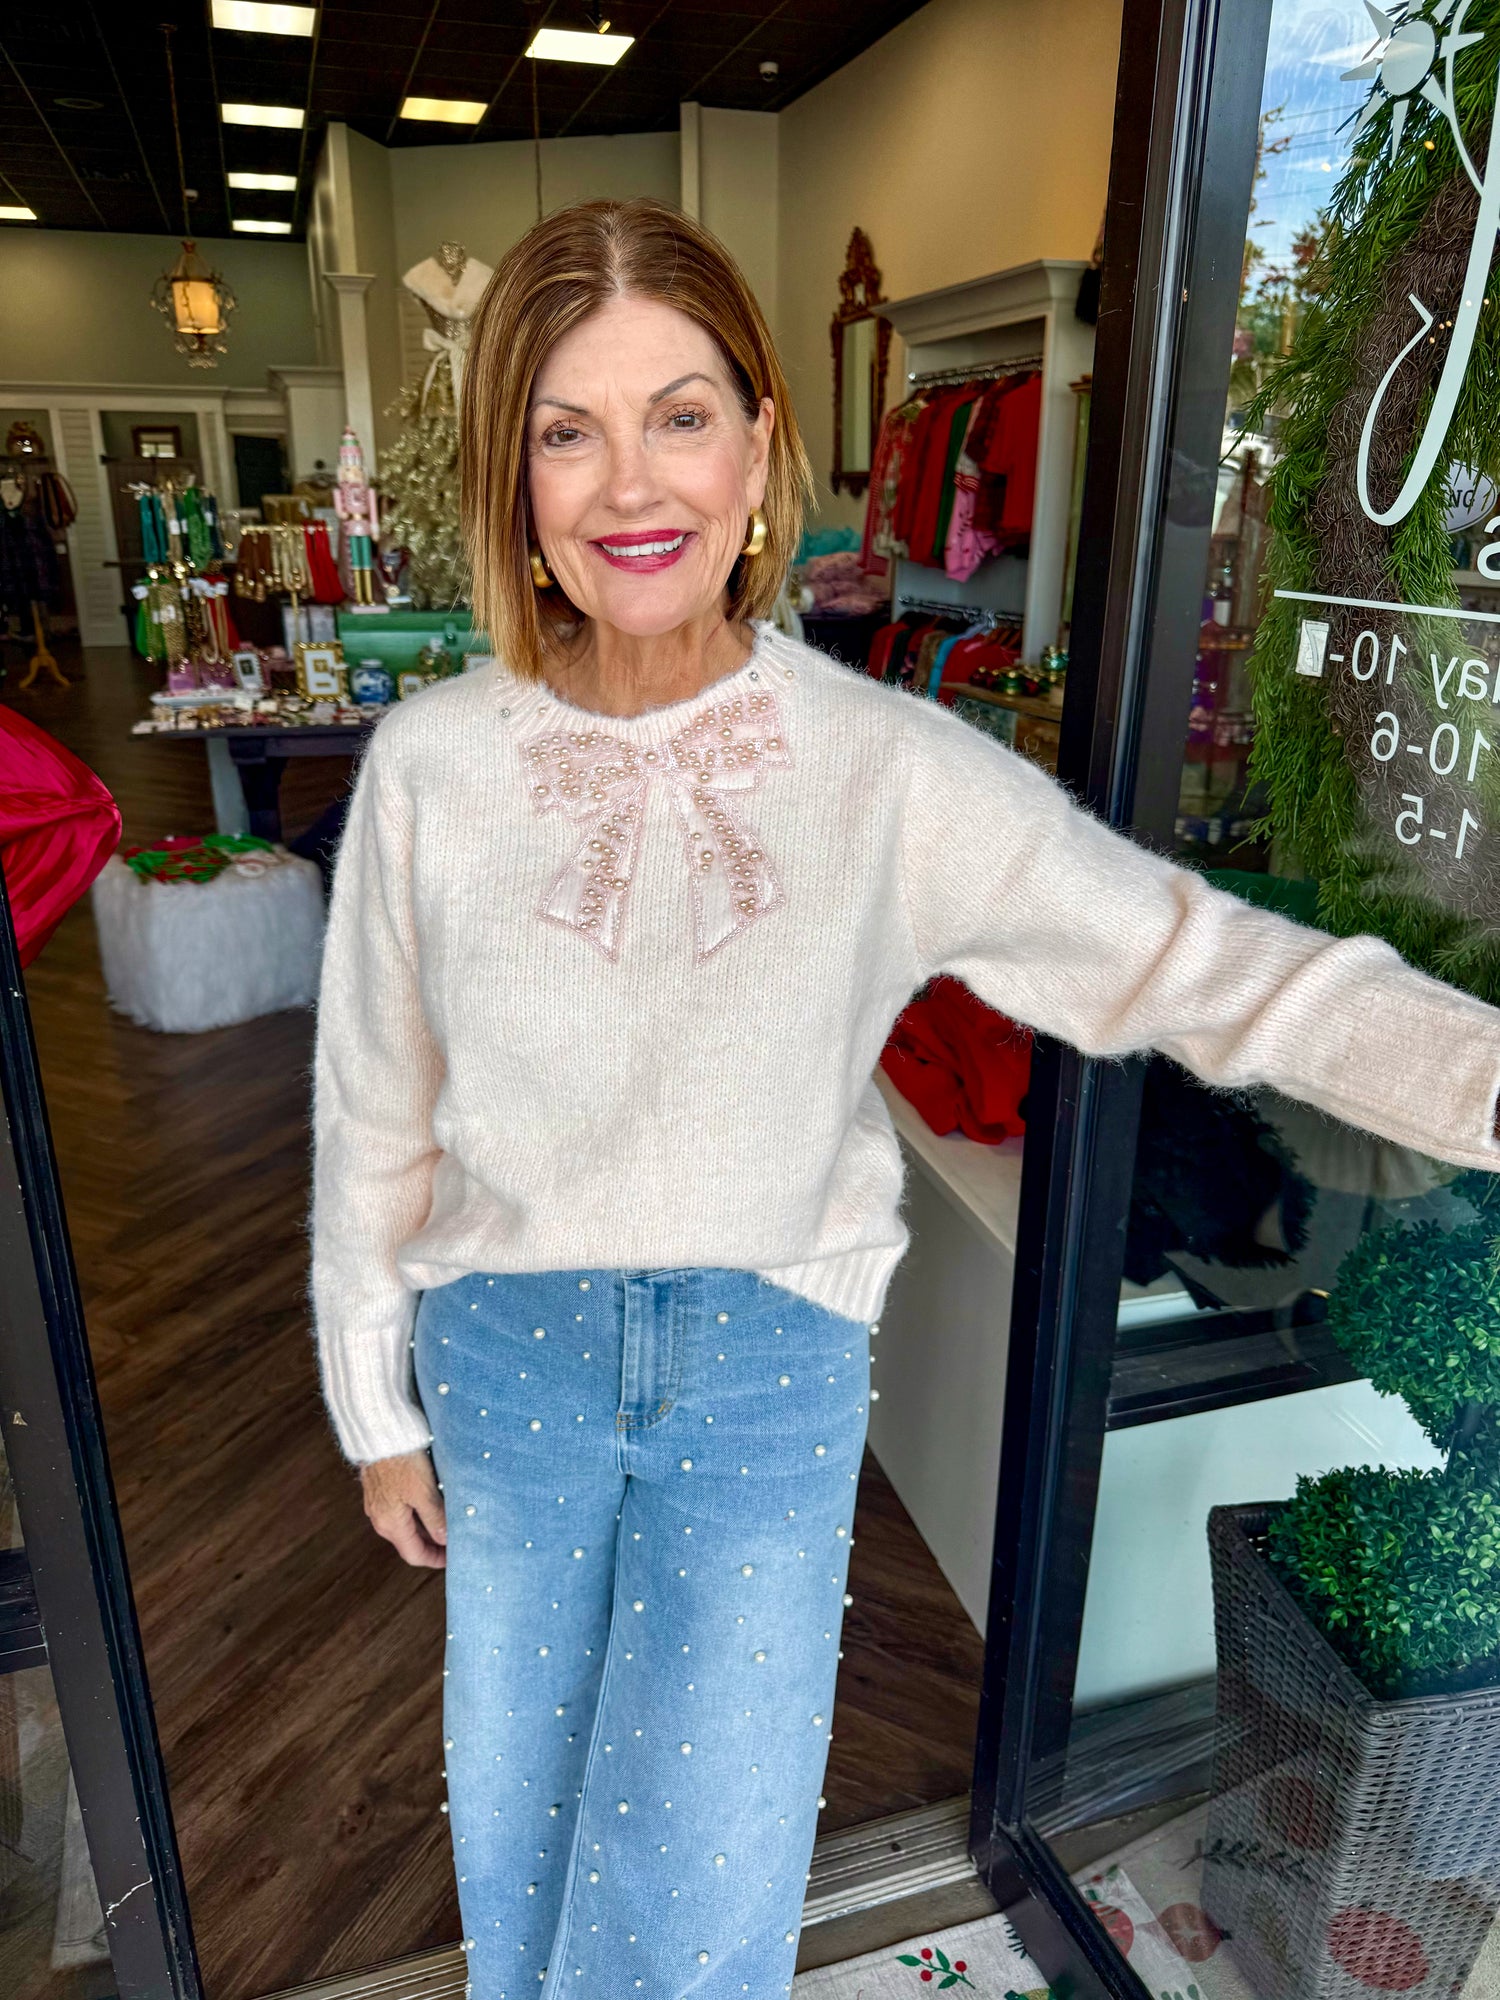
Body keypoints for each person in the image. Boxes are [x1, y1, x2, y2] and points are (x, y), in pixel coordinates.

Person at [309, 197, 1500, 1999]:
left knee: (702, 1899)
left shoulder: (879, 768)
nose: (630, 484)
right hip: (508, 1359)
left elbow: (1196, 961)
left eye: (679, 415)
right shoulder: (432, 764)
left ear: (760, 442)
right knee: (525, 1834)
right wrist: (372, 1401)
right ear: (514, 477)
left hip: (760, 1368)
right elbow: (374, 1104)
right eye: (567, 430)